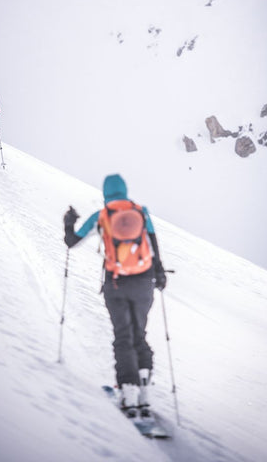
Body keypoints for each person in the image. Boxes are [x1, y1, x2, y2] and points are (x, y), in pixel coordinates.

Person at [63, 173, 167, 418]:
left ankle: (128, 392)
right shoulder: (141, 212)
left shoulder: (101, 216)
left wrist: (69, 221)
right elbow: (153, 245)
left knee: (123, 336)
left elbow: (71, 242)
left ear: (106, 192)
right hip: (144, 282)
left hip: (116, 284)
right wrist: (159, 274)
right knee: (139, 333)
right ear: (125, 190)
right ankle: (144, 391)